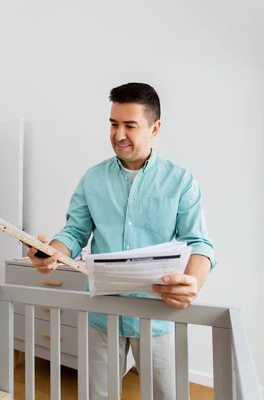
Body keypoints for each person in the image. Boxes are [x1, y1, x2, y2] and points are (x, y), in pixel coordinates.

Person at [27, 82, 216, 399]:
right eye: (114, 124)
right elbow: (73, 233)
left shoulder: (181, 181)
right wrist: (51, 254)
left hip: (158, 312)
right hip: (102, 312)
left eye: (130, 125)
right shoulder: (92, 178)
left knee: (165, 395)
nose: (118, 135)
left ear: (154, 128)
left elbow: (199, 243)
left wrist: (193, 282)